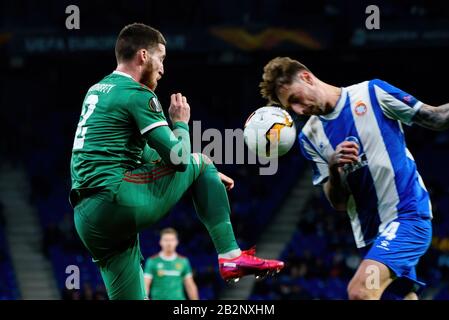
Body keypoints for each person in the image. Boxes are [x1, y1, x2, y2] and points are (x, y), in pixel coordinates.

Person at [69, 23, 284, 300]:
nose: (162, 68)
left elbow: (143, 153)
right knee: (200, 159)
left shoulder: (97, 91)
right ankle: (231, 256)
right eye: (161, 58)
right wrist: (181, 125)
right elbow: (180, 159)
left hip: (89, 220)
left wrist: (200, 175)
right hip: (115, 198)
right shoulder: (138, 94)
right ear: (144, 56)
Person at [259, 57, 448, 300]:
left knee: (360, 292)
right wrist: (334, 169)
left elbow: (436, 118)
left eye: (295, 99)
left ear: (306, 77)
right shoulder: (309, 137)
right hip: (371, 236)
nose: (298, 110)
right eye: (290, 107)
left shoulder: (372, 93)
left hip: (407, 217)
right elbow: (338, 203)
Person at [144, 228, 198, 300]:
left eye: (172, 240)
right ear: (160, 242)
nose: (169, 243)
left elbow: (190, 285)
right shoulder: (152, 261)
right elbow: (145, 284)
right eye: (166, 240)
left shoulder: (183, 261)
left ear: (176, 242)